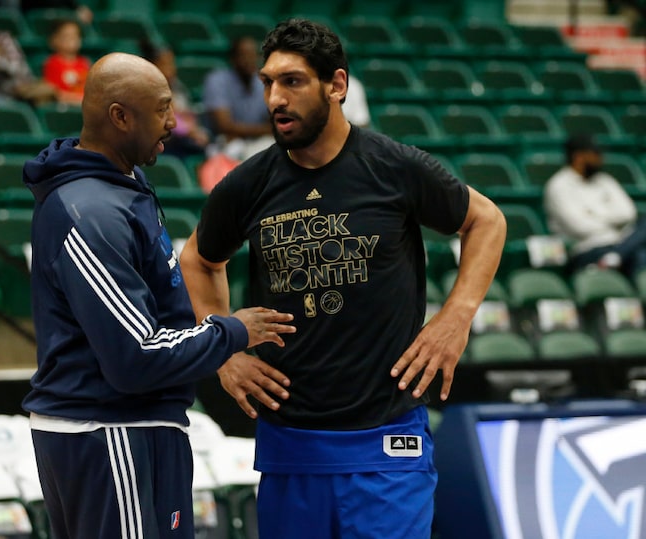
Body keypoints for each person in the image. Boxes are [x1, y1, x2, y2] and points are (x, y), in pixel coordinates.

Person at [179, 18, 506, 539]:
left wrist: (457, 316)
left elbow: (486, 220)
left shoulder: (393, 167)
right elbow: (198, 259)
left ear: (336, 86)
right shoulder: (248, 184)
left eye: (292, 81)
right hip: (290, 448)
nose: (275, 99)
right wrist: (224, 349)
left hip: (387, 443)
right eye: (268, 83)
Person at [21, 52, 296, 539]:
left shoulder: (125, 186)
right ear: (120, 116)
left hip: (136, 425)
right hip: (106, 431)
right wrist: (232, 331)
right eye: (163, 109)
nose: (175, 122)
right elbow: (134, 357)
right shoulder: (89, 212)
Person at [544, 133, 646, 281]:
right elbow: (580, 227)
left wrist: (593, 213)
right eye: (595, 153)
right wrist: (613, 222)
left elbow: (628, 213)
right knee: (640, 252)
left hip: (618, 243)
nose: (600, 158)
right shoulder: (559, 185)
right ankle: (618, 260)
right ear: (578, 156)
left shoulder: (605, 181)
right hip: (586, 249)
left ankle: (615, 256)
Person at [202, 36, 274, 161]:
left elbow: (274, 123)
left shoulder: (262, 83)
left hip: (257, 142)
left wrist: (242, 130)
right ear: (233, 59)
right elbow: (224, 126)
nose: (249, 60)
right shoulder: (217, 80)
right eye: (244, 55)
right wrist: (265, 130)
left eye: (253, 55)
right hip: (223, 143)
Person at [139, 38, 209, 160]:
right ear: (152, 66)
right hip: (164, 144)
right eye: (165, 64)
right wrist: (189, 131)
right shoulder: (146, 90)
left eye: (172, 63)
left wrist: (194, 129)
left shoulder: (178, 87)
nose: (171, 69)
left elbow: (188, 115)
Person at [42, 18, 89, 104]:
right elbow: (55, 93)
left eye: (76, 35)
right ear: (54, 40)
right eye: (66, 36)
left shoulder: (84, 62)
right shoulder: (52, 63)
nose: (72, 39)